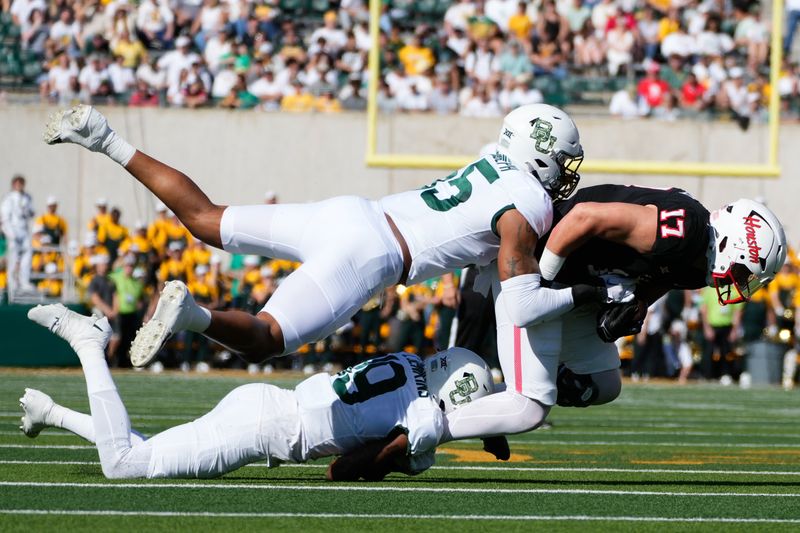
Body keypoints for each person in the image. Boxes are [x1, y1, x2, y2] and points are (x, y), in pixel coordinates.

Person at [43, 103, 609, 374]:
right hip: (373, 254)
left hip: (351, 212)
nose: (564, 171)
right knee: (267, 338)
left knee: (205, 219)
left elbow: (476, 276)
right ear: (538, 152)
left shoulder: (493, 160)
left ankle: (105, 137)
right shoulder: (529, 200)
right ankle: (192, 315)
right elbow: (516, 292)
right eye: (562, 160)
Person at [436, 186, 787, 446]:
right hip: (535, 265)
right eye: (746, 273)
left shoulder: (697, 265)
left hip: (574, 287)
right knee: (528, 409)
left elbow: (659, 279)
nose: (742, 283)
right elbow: (583, 217)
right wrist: (540, 282)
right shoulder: (684, 233)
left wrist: (632, 310)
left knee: (603, 384)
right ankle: (423, 431)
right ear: (733, 243)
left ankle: (484, 406)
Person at [21, 304, 493, 481]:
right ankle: (88, 343)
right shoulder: (424, 415)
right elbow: (341, 471)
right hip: (266, 429)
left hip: (267, 402)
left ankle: (51, 412)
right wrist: (402, 446)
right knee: (123, 465)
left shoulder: (411, 363)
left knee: (146, 452)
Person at [0, 174, 35, 294]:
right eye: (17, 183)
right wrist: (10, 233)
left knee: (27, 253)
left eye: (21, 183)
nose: (19, 185)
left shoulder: (27, 197)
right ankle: (12, 283)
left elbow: (31, 213)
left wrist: (28, 211)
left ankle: (24, 281)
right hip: (13, 230)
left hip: (24, 230)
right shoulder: (9, 198)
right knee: (13, 257)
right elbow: (4, 218)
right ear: (13, 184)